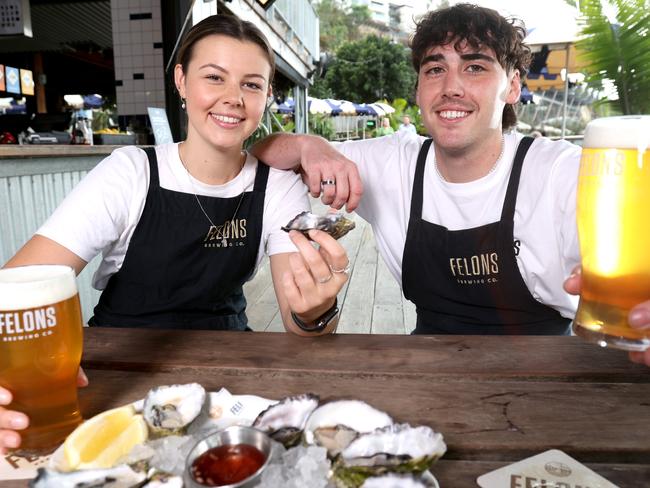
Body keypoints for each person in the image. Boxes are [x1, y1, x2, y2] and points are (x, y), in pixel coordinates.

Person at [0, 15, 349, 453]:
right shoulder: (130, 172)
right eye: (214, 77)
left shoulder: (277, 185)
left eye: (251, 84)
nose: (232, 98)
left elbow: (302, 328)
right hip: (119, 371)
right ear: (181, 81)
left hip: (231, 380)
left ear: (267, 97)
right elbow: (15, 287)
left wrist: (315, 311)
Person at [248, 4, 650, 358]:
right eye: (435, 69)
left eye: (475, 67)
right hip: (428, 369)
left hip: (551, 373)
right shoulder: (395, 161)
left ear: (511, 86)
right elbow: (263, 152)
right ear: (419, 89)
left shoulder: (561, 170)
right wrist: (308, 145)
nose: (451, 87)